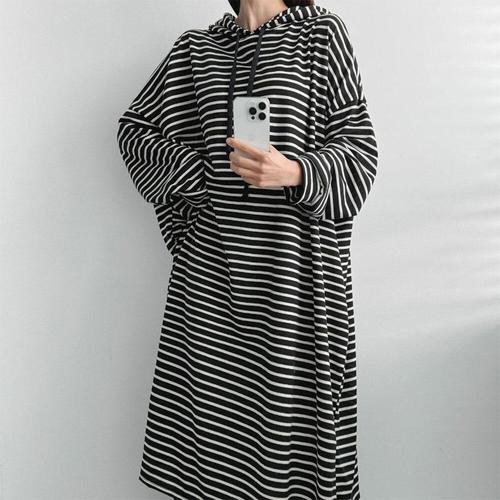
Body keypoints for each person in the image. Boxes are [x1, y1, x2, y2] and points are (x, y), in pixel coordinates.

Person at [116, 0, 378, 498]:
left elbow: (360, 155)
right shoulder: (196, 49)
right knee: (215, 442)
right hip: (210, 284)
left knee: (288, 446)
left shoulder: (321, 36)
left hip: (295, 283)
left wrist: (294, 172)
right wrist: (199, 179)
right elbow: (136, 132)